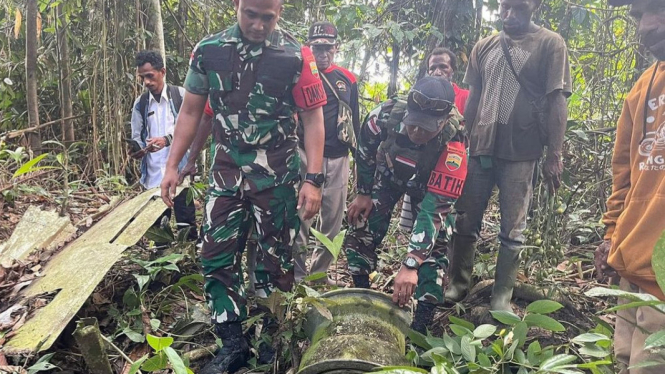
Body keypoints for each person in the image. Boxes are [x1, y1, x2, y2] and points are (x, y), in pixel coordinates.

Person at [159, 0, 327, 371]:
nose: (258, 24)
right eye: (250, 14)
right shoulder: (208, 51)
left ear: (279, 12)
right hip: (226, 172)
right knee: (215, 254)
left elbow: (313, 119)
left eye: (267, 17)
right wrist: (174, 165)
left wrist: (313, 180)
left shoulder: (295, 56)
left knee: (276, 260)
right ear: (237, 6)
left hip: (277, 176)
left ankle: (271, 339)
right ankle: (232, 342)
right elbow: (191, 111)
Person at [444, 0, 571, 312]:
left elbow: (557, 101)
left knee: (512, 227)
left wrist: (555, 153)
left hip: (522, 151)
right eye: (504, 8)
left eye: (518, 8)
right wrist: (464, 136)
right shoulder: (484, 46)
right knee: (465, 219)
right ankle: (459, 283)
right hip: (480, 149)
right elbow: (473, 97)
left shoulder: (550, 44)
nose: (509, 15)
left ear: (535, 7)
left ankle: (502, 294)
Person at [344, 76, 467, 334]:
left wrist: (411, 263)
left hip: (429, 187)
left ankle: (421, 327)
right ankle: (361, 296)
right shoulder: (385, 115)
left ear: (443, 122)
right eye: (414, 124)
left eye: (426, 128)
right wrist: (364, 193)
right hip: (389, 176)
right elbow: (365, 150)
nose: (417, 132)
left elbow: (433, 211)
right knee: (360, 225)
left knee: (435, 250)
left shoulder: (454, 144)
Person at [595, 0, 665, 372]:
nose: (645, 26)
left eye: (658, 9)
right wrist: (611, 235)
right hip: (632, 262)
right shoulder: (642, 87)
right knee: (623, 361)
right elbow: (623, 171)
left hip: (662, 273)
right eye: (638, 15)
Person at [293, 21, 360, 285]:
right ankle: (298, 277)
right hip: (306, 157)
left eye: (328, 49)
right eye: (317, 48)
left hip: (339, 156)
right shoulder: (301, 72)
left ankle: (319, 276)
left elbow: (355, 120)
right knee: (301, 217)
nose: (322, 54)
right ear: (309, 48)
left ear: (336, 48)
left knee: (332, 221)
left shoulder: (347, 79)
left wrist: (357, 159)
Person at [399, 47, 470, 239]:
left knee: (444, 221)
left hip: (451, 165)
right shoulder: (421, 94)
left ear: (452, 70)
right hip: (423, 163)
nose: (437, 72)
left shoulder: (464, 97)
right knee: (418, 219)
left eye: (443, 67)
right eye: (433, 68)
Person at [129, 50, 197, 240]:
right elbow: (137, 136)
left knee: (187, 226)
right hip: (153, 178)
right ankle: (161, 266)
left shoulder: (180, 96)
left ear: (162, 72)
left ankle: (188, 263)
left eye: (150, 76)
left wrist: (167, 140)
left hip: (180, 174)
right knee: (159, 231)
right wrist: (137, 149)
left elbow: (194, 129)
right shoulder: (140, 104)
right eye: (142, 78)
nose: (147, 82)